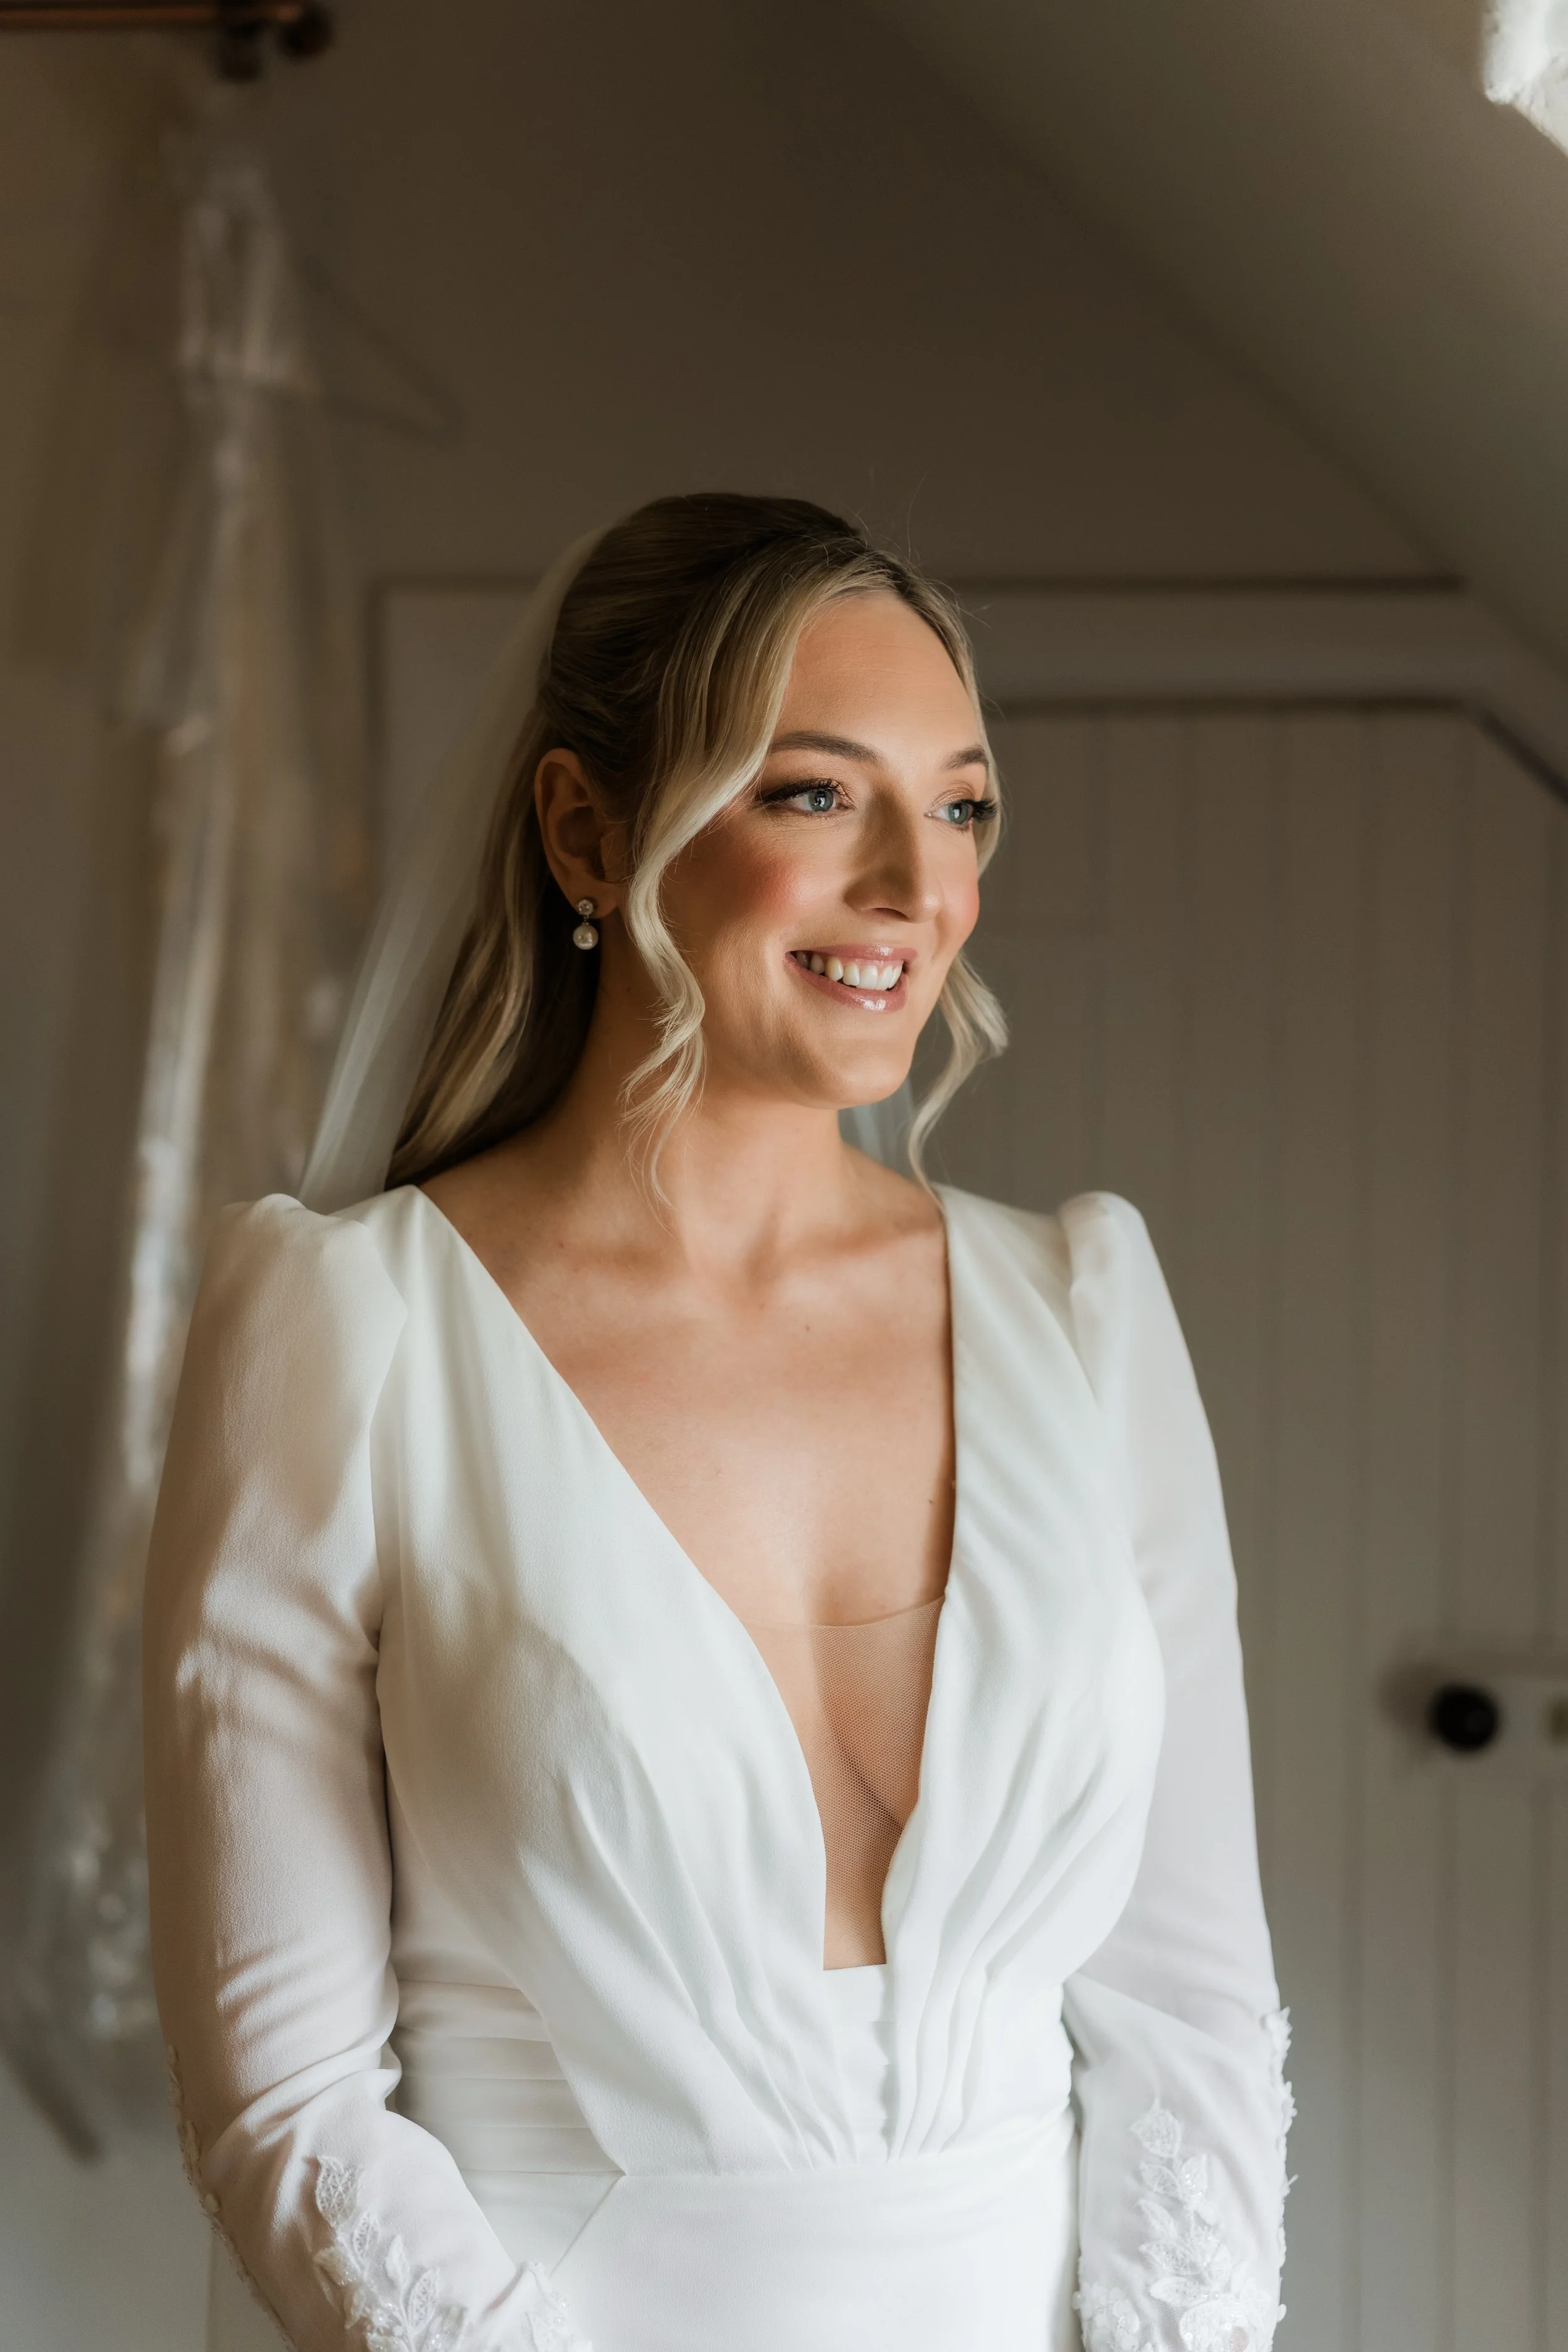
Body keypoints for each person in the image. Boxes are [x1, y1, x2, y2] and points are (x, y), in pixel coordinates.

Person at [143, 493, 1292, 2352]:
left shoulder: (1081, 1313)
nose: (920, 887)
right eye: (817, 794)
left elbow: (1193, 2005)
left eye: (965, 803)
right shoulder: (346, 1329)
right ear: (588, 830)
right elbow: (284, 2104)